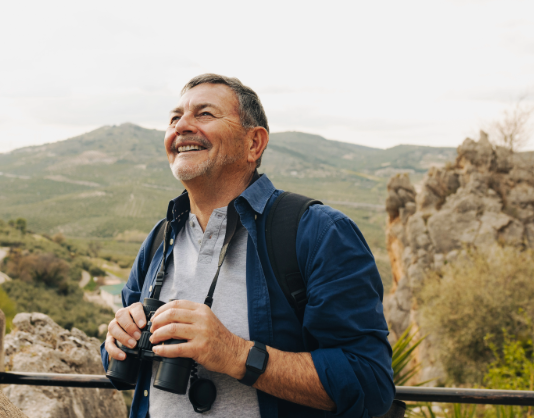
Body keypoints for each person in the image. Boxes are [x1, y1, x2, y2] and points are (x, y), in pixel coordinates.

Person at [101, 74, 394, 418]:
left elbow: (370, 381)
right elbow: (120, 369)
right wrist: (118, 341)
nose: (182, 126)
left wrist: (236, 355)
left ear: (254, 144)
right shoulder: (161, 238)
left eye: (205, 114)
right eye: (174, 117)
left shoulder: (318, 232)